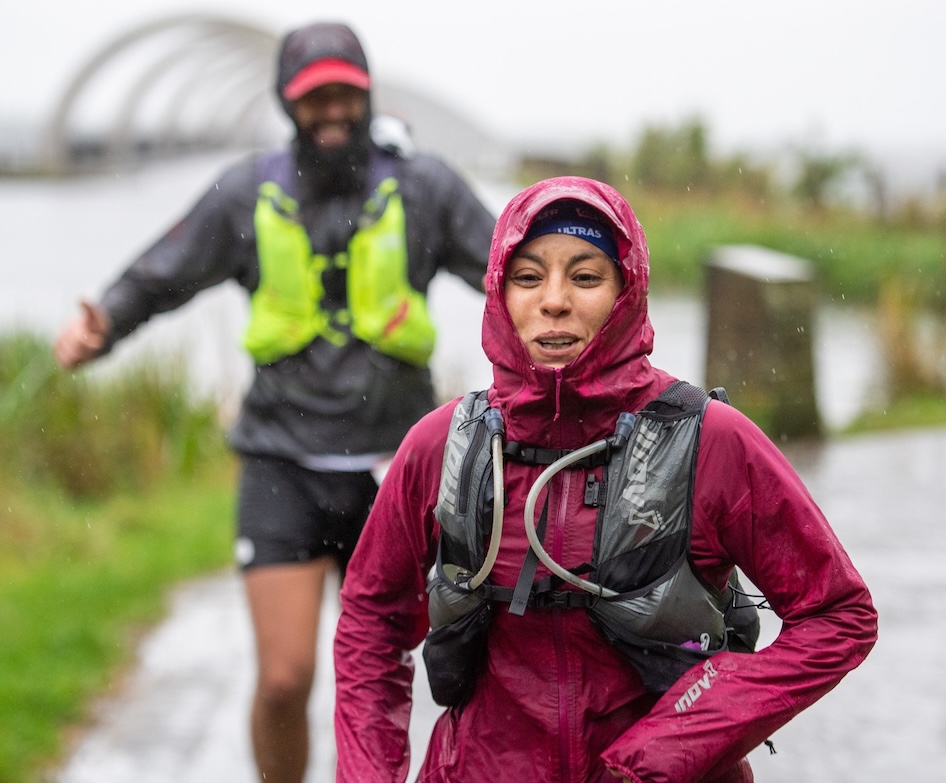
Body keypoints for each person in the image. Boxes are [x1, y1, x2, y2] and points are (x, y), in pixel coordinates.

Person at [53, 21, 495, 783]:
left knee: (397, 674)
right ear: (287, 105)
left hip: (394, 466)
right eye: (312, 97)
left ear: (367, 95)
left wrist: (587, 313)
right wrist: (106, 323)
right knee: (287, 679)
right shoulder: (246, 190)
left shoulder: (426, 188)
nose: (331, 111)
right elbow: (164, 272)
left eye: (344, 95)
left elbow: (512, 273)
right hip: (280, 461)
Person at [333, 176, 878, 782]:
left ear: (627, 291)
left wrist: (677, 743)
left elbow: (837, 616)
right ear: (498, 291)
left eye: (586, 277)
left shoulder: (712, 441)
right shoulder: (443, 444)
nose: (554, 301)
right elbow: (370, 622)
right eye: (528, 276)